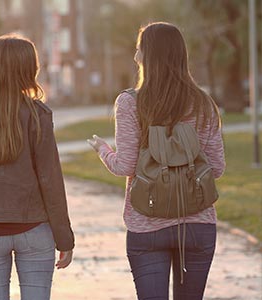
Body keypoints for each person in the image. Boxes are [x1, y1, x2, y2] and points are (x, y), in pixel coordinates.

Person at [88, 22, 225, 300]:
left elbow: (124, 166)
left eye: (139, 51)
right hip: (197, 225)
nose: (136, 57)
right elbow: (217, 168)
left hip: (146, 224)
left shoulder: (130, 102)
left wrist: (102, 149)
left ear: (147, 57)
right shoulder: (203, 103)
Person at [0, 34, 74, 300]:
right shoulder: (37, 115)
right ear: (26, 70)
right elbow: (51, 181)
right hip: (34, 230)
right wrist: (64, 238)